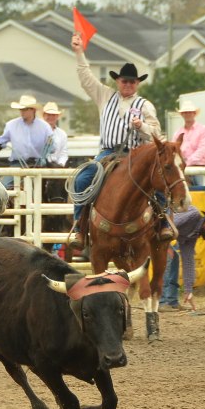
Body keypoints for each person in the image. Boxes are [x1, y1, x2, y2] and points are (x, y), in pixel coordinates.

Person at [69, 32, 164, 249]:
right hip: (108, 153)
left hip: (137, 154)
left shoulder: (145, 105)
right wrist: (78, 52)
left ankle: (163, 222)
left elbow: (157, 135)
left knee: (160, 180)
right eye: (124, 80)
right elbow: (86, 77)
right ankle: (79, 226)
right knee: (82, 180)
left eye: (132, 81)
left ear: (137, 83)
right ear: (118, 81)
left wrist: (142, 127)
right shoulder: (105, 95)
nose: (128, 84)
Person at [159, 207, 205, 311]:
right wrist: (165, 245)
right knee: (170, 258)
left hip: (164, 235)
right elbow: (168, 224)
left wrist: (188, 290)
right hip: (158, 230)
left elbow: (188, 261)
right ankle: (162, 302)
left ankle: (171, 302)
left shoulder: (193, 235)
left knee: (174, 257)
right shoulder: (193, 215)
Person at [0, 95, 52, 167]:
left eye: (25, 109)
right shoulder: (11, 125)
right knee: (6, 178)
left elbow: (52, 146)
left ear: (33, 110)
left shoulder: (45, 127)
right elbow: (2, 140)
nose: (22, 112)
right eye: (21, 109)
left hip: (38, 164)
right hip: (17, 164)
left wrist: (48, 149)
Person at [172, 100, 205, 186]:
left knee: (200, 192)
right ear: (182, 114)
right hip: (183, 169)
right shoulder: (177, 133)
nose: (187, 114)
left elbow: (203, 149)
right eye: (185, 112)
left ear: (194, 114)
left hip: (198, 168)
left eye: (189, 112)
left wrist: (187, 162)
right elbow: (174, 151)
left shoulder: (204, 130)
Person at [41, 102, 68, 167]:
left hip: (56, 166)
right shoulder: (37, 132)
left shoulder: (62, 134)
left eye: (53, 115)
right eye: (48, 114)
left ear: (57, 116)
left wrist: (60, 165)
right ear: (44, 115)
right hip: (40, 166)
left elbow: (63, 153)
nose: (51, 117)